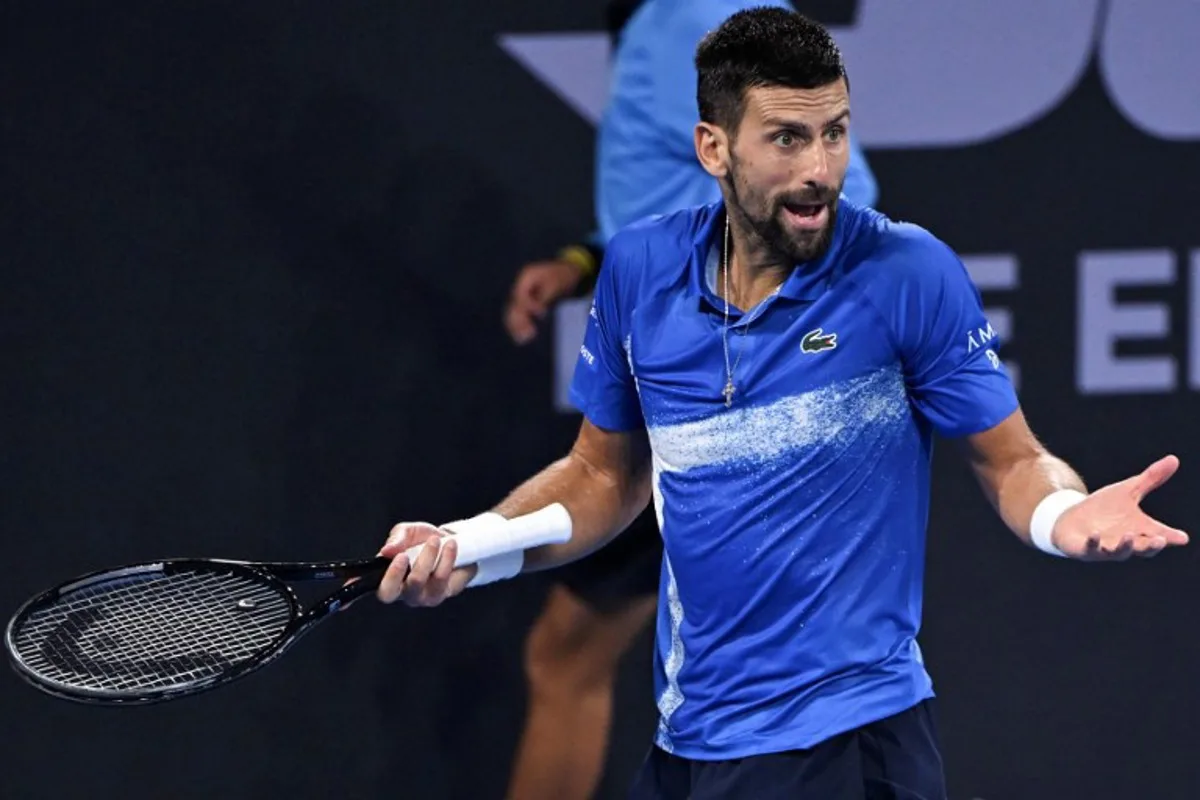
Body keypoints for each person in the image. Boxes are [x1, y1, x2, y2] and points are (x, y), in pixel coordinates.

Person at [382, 8, 1188, 799]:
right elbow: (603, 476)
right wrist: (469, 545)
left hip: (848, 746)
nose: (821, 169)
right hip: (689, 747)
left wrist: (1062, 517)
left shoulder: (907, 273)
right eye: (788, 139)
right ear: (713, 148)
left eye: (835, 132)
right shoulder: (638, 269)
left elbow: (1011, 459)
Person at [500, 2, 877, 797]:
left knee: (738, 683)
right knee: (579, 654)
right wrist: (584, 259)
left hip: (733, 385)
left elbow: (832, 207)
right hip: (729, 377)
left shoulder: (693, 22)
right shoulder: (687, 27)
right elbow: (691, 196)